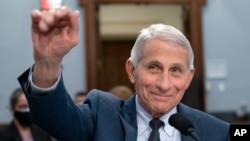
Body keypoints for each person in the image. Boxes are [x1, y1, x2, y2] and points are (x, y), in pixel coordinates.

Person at [17, 6, 230, 141]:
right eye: (154, 67)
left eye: (175, 70)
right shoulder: (101, 114)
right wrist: (48, 63)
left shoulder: (214, 131)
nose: (164, 84)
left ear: (188, 78)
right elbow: (54, 119)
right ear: (132, 70)